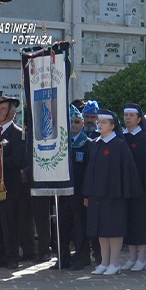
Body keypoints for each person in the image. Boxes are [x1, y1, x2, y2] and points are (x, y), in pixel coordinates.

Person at [83, 109, 142, 276]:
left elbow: (127, 172)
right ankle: (104, 262)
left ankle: (115, 262)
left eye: (104, 122)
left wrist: (121, 192)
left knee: (114, 229)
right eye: (99, 122)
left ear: (113, 125)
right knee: (101, 229)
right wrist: (87, 194)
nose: (99, 125)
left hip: (114, 195)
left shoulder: (119, 145)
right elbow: (89, 171)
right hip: (97, 195)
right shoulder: (94, 144)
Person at [50, 105, 93, 270]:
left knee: (80, 227)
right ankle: (62, 257)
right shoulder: (60, 144)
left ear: (82, 124)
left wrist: (87, 194)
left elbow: (90, 172)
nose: (73, 125)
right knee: (61, 226)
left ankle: (82, 257)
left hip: (80, 193)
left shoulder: (88, 144)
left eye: (76, 122)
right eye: (70, 122)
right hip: (62, 191)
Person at [0, 96, 27, 269]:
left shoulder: (18, 133)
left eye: (2, 109)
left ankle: (12, 256)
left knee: (9, 221)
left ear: (11, 112)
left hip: (9, 185)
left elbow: (17, 160)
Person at [121, 103, 146, 272]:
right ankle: (131, 257)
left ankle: (141, 257)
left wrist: (144, 183)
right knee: (128, 221)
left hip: (143, 189)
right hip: (124, 188)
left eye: (132, 115)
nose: (128, 118)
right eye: (126, 115)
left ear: (139, 119)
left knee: (142, 222)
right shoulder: (121, 138)